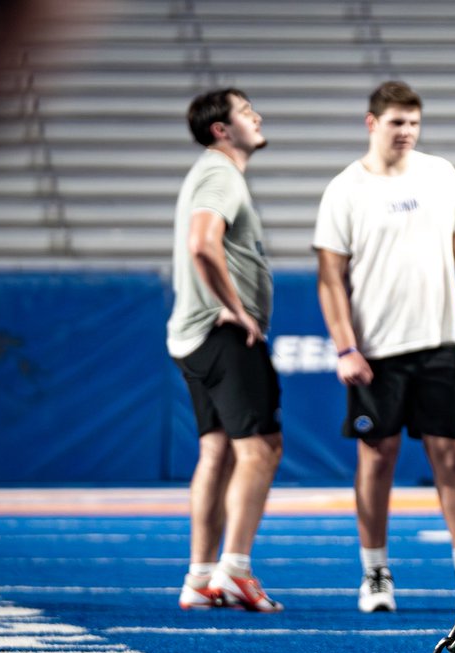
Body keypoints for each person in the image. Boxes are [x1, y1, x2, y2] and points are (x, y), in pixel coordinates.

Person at [313, 81, 455, 613]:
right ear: (372, 123)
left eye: (413, 122)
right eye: (396, 122)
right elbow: (330, 277)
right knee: (376, 460)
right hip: (376, 352)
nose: (407, 131)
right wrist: (346, 347)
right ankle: (375, 573)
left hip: (439, 342)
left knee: (453, 459)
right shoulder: (345, 189)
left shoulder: (441, 174)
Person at [169, 88, 283, 613]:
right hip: (221, 336)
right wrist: (235, 308)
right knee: (261, 448)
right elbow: (201, 242)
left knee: (216, 450)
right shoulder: (221, 173)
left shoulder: (211, 172)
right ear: (221, 129)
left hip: (195, 337)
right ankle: (234, 569)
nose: (256, 116)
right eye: (245, 111)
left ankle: (199, 577)